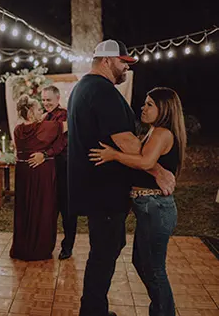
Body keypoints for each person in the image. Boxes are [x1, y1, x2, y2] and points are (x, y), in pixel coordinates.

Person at [68, 39, 176, 316]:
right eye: (123, 62)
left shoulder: (82, 87)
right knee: (103, 255)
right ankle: (92, 312)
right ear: (106, 60)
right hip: (104, 191)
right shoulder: (103, 92)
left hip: (93, 189)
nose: (126, 68)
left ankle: (95, 309)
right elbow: (128, 143)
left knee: (109, 247)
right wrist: (158, 171)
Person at [89, 87, 186, 316]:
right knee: (142, 263)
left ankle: (164, 311)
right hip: (148, 207)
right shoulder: (153, 131)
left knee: (154, 269)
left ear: (164, 108)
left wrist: (113, 155)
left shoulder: (162, 133)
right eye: (145, 103)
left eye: (150, 104)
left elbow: (145, 162)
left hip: (157, 208)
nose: (143, 108)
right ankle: (161, 308)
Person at [10, 94, 66, 261]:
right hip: (41, 173)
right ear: (31, 113)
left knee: (24, 208)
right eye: (39, 109)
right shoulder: (44, 127)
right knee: (43, 207)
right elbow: (68, 126)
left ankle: (22, 247)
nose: (42, 112)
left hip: (23, 172)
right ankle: (39, 249)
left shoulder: (17, 129)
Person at [39, 85, 77, 260]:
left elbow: (61, 142)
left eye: (49, 100)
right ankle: (47, 244)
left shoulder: (63, 115)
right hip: (51, 167)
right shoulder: (46, 116)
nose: (46, 103)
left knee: (67, 208)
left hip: (64, 165)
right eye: (44, 99)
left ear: (57, 99)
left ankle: (67, 246)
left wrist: (45, 153)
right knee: (50, 207)